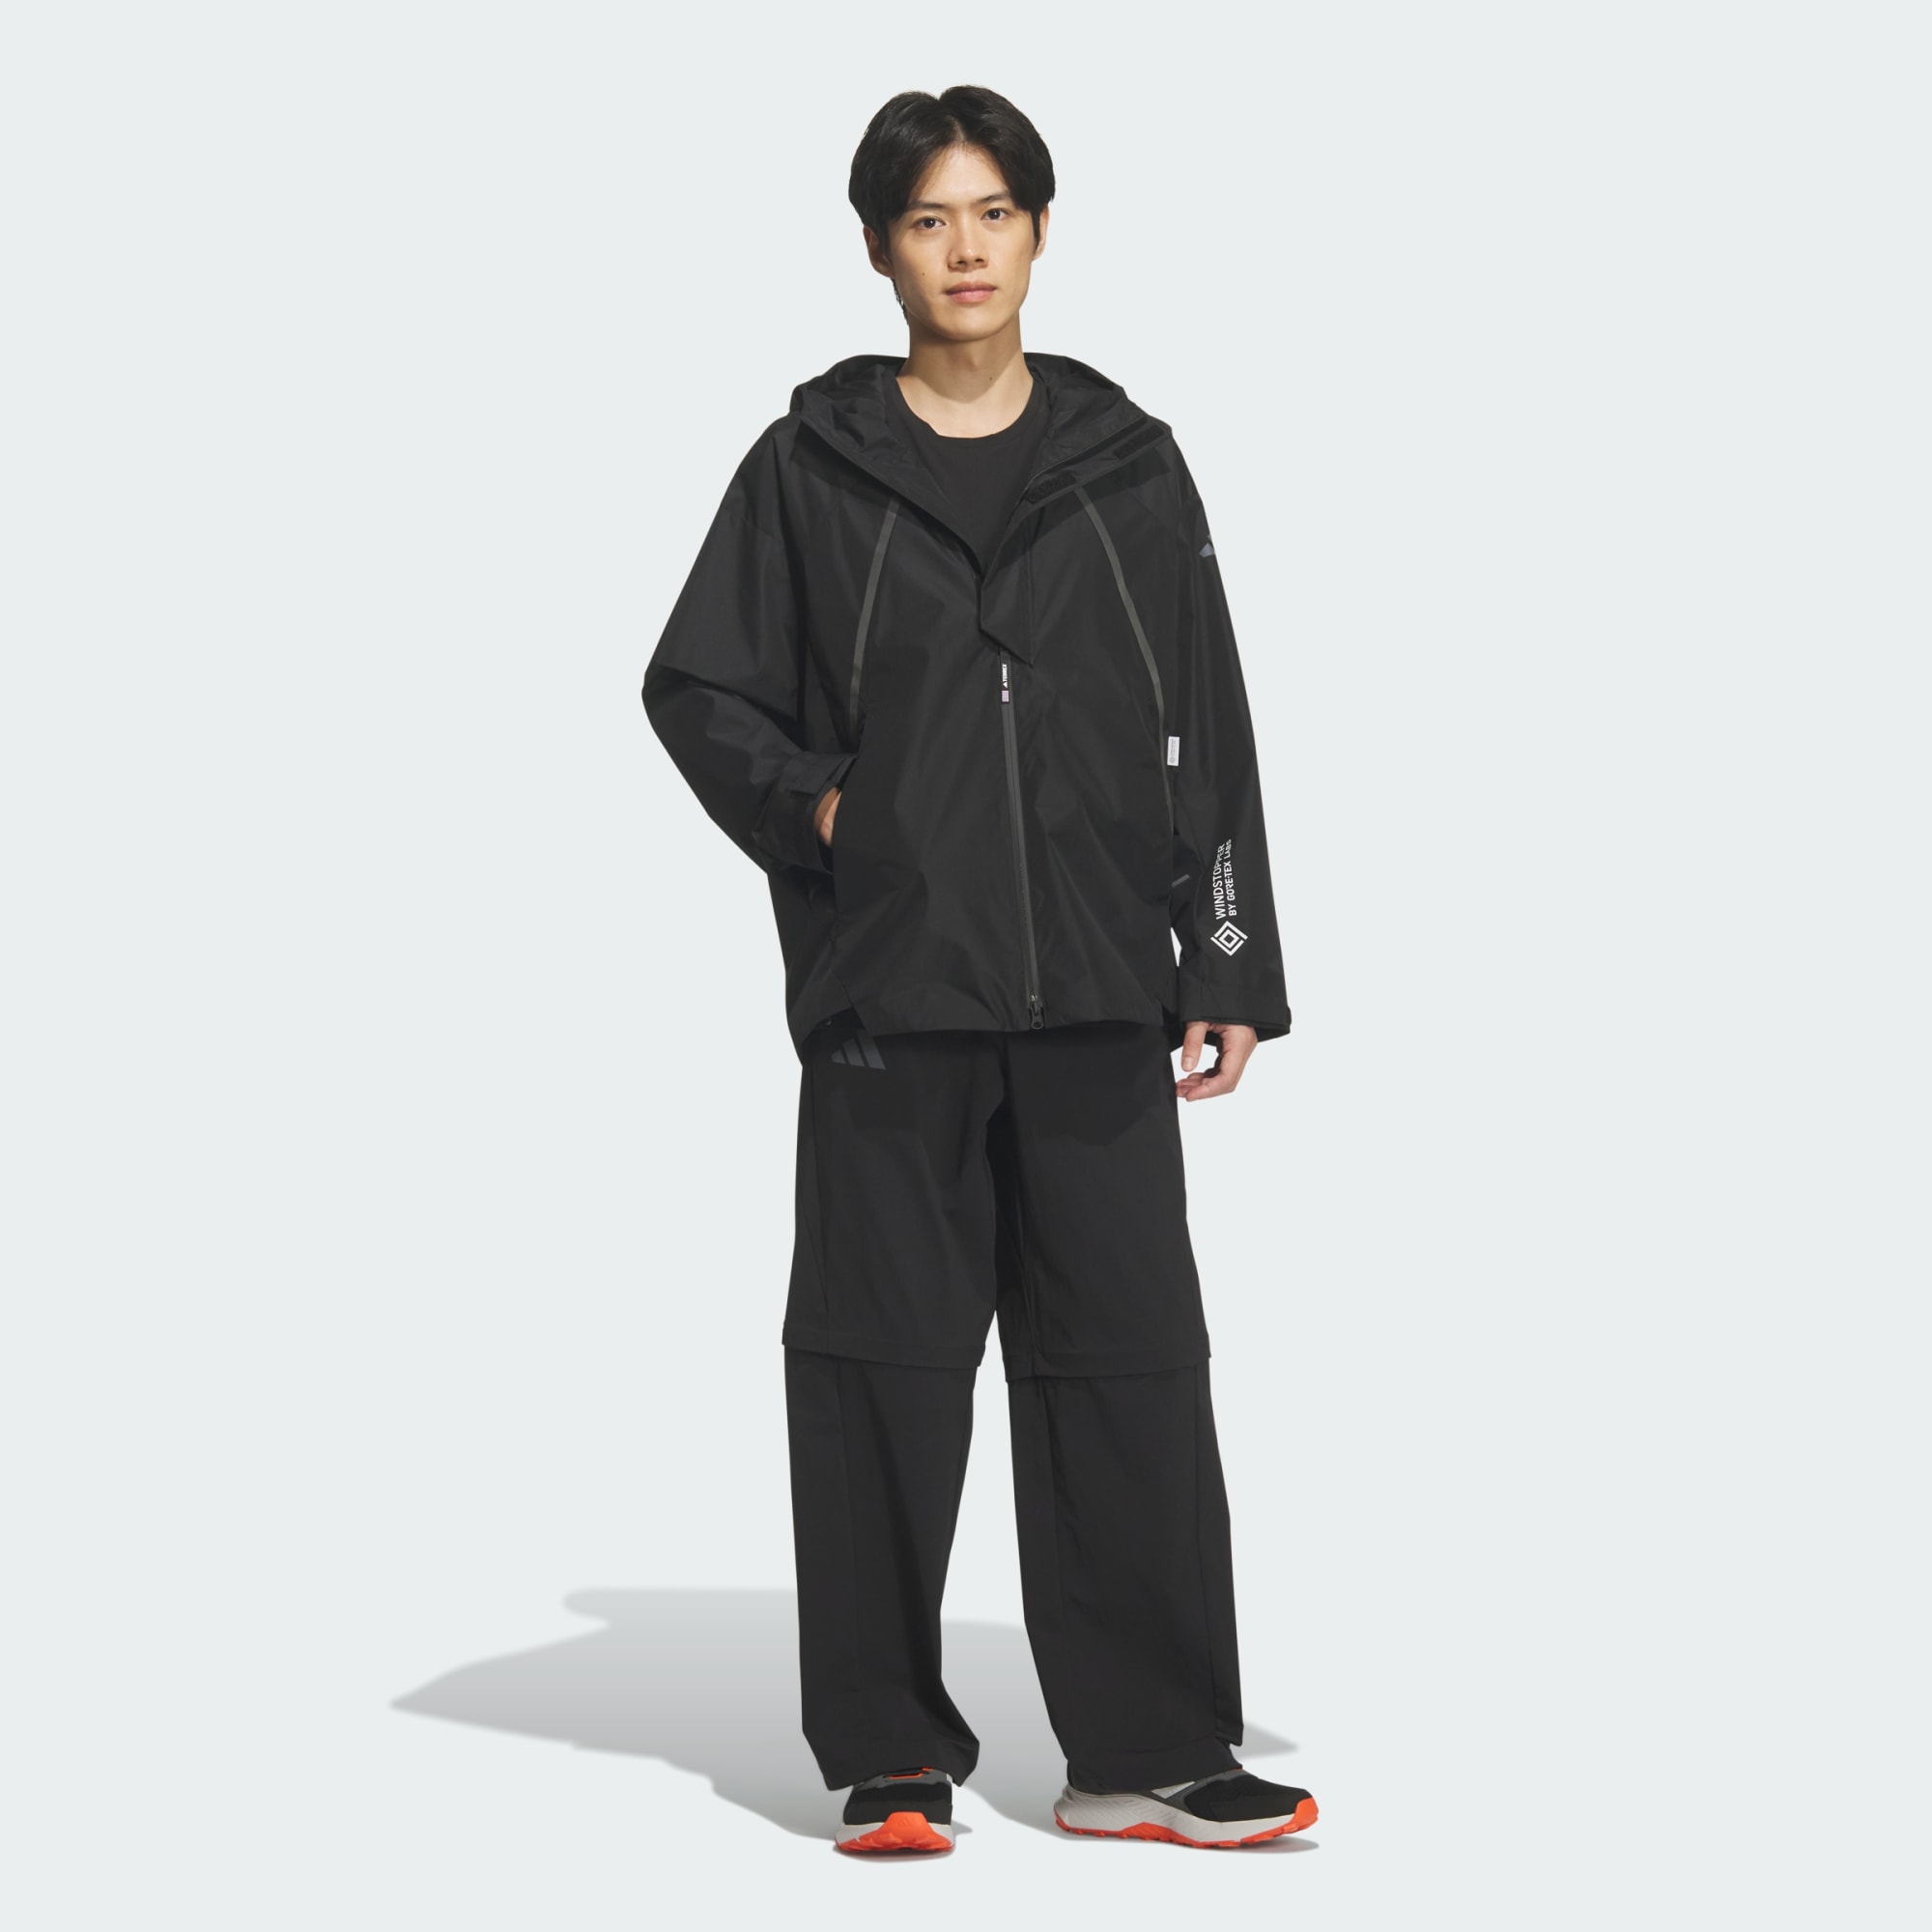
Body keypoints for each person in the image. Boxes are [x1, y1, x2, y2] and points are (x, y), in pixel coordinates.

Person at [642, 84, 1316, 1855]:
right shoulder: (807, 469)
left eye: (994, 212)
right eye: (929, 219)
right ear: (880, 247)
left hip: (1098, 984)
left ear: (1040, 231)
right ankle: (887, 1751)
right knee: (879, 1370)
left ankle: (1150, 1749)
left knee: (1129, 1367)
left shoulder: (1130, 463)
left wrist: (1225, 953)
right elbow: (698, 688)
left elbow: (1208, 711)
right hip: (895, 993)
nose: (965, 249)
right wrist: (828, 812)